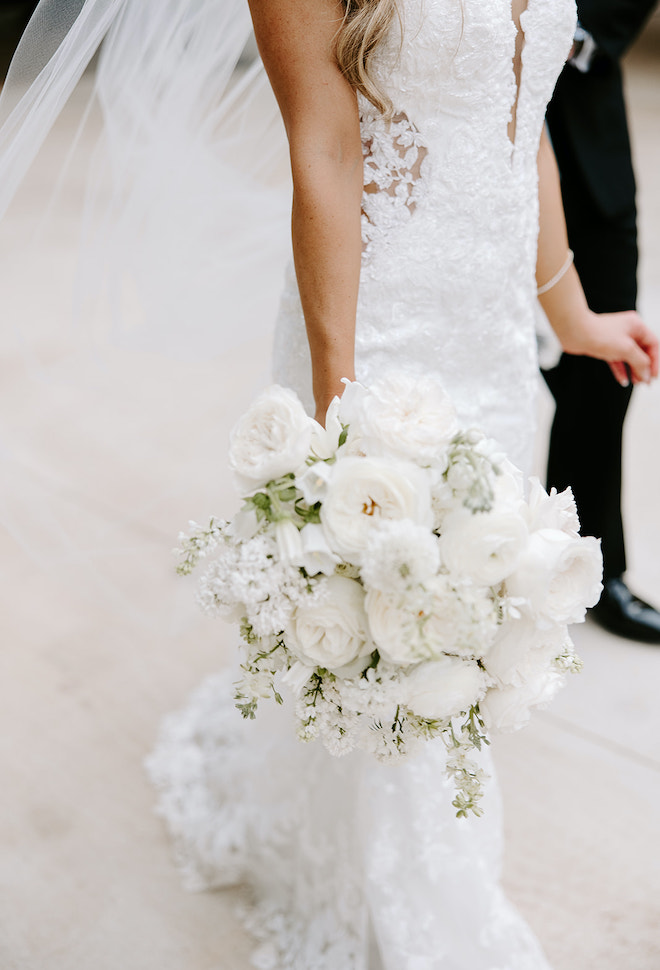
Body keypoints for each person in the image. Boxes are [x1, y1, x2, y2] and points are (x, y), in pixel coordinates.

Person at [1, 1, 658, 968]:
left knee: (461, 626)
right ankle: (422, 917)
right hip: (377, 332)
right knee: (396, 629)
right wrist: (343, 410)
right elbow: (327, 150)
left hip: (489, 335)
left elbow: (524, 125)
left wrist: (574, 315)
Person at [543, 0, 660, 644]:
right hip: (441, 121)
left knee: (606, 358)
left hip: (583, 100)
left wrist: (562, 32)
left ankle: (588, 565)